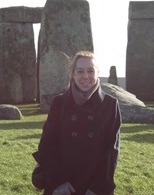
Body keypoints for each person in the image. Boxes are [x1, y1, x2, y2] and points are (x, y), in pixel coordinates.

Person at [35, 51, 121, 195]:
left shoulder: (110, 105)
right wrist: (58, 182)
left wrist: (98, 188)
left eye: (90, 71)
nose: (85, 76)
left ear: (97, 73)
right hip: (62, 185)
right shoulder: (60, 102)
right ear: (73, 74)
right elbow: (47, 144)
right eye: (80, 71)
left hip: (94, 185)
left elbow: (111, 151)